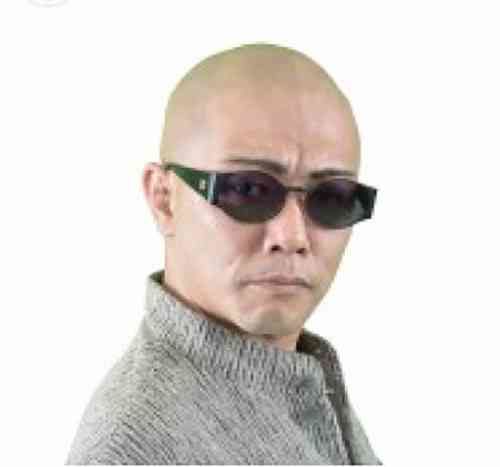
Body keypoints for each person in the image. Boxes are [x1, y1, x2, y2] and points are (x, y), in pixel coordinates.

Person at [65, 42, 382, 465]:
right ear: (164, 199)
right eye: (248, 190)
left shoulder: (300, 378)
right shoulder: (134, 451)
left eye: (332, 197)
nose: (292, 236)